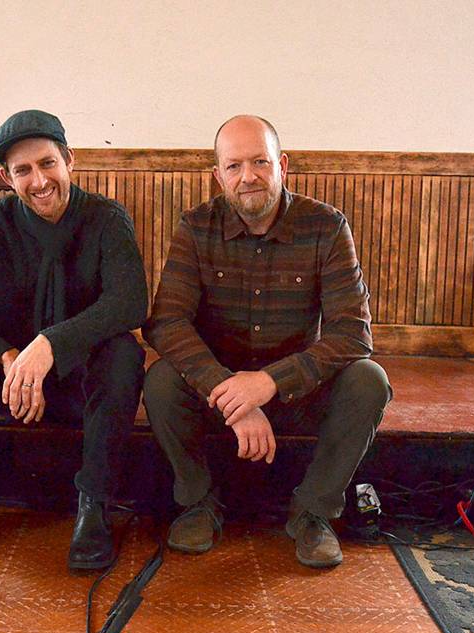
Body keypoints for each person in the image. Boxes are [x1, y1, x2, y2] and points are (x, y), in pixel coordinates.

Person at [142, 115, 391, 568]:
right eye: (234, 166)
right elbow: (166, 323)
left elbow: (353, 333)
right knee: (160, 380)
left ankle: (313, 513)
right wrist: (232, 393)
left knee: (369, 379)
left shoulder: (327, 227)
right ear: (218, 176)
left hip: (298, 390)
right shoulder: (196, 228)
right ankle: (199, 504)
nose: (248, 176)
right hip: (216, 392)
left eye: (260, 162)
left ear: (283, 165)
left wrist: (268, 383)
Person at [0, 110, 148, 570]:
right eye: (23, 170)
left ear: (69, 160)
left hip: (82, 387)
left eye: (47, 163)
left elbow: (131, 302)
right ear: (6, 177)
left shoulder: (106, 218)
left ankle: (94, 505)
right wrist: (7, 357)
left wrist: (51, 344)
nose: (39, 181)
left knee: (123, 353)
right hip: (12, 385)